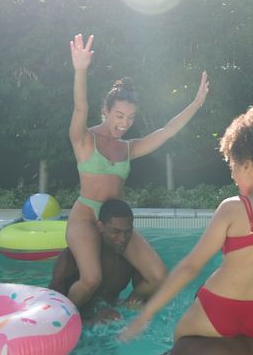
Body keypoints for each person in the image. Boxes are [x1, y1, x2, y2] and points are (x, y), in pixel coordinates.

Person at [119, 105, 253, 343]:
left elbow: (190, 267)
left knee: (176, 348)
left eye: (234, 168)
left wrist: (145, 314)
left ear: (246, 163)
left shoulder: (234, 208)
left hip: (218, 310)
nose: (234, 177)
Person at [65, 33, 209, 309]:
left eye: (130, 118)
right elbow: (79, 106)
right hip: (85, 218)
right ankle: (73, 323)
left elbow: (167, 132)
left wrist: (196, 103)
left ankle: (119, 309)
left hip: (117, 224)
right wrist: (80, 69)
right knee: (91, 279)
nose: (125, 123)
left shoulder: (128, 148)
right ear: (106, 111)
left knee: (158, 277)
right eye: (119, 116)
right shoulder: (84, 139)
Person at [48, 199, 151, 323]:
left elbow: (146, 302)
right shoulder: (71, 258)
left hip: (110, 317)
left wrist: (133, 307)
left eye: (128, 231)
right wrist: (90, 321)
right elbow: (53, 308)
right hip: (78, 322)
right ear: (100, 227)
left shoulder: (130, 261)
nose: (123, 239)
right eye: (115, 232)